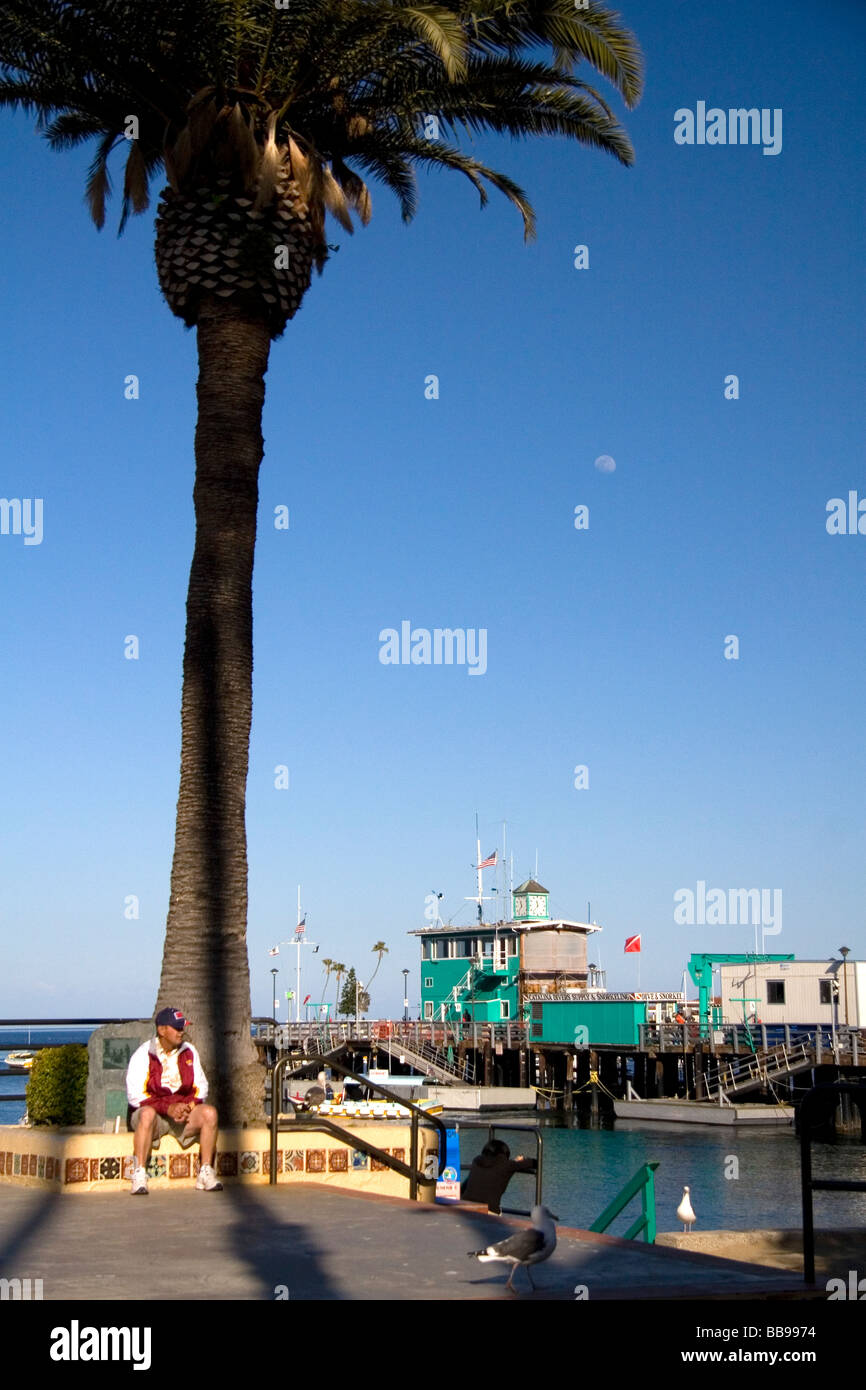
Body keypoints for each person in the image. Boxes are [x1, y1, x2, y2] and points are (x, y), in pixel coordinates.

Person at [125, 1007, 222, 1195]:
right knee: (146, 1114)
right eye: (177, 1028)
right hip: (155, 1117)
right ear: (162, 1030)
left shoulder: (189, 1051)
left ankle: (206, 1172)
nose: (181, 1032)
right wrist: (167, 1108)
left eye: (182, 1027)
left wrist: (188, 1106)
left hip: (182, 1115)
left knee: (209, 1113)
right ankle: (139, 1174)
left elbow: (201, 1086)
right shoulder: (143, 1054)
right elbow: (136, 1096)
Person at [460, 1139, 537, 1215]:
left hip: (465, 1206)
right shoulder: (507, 1165)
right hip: (488, 1211)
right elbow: (533, 1162)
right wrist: (521, 1160)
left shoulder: (476, 1160)